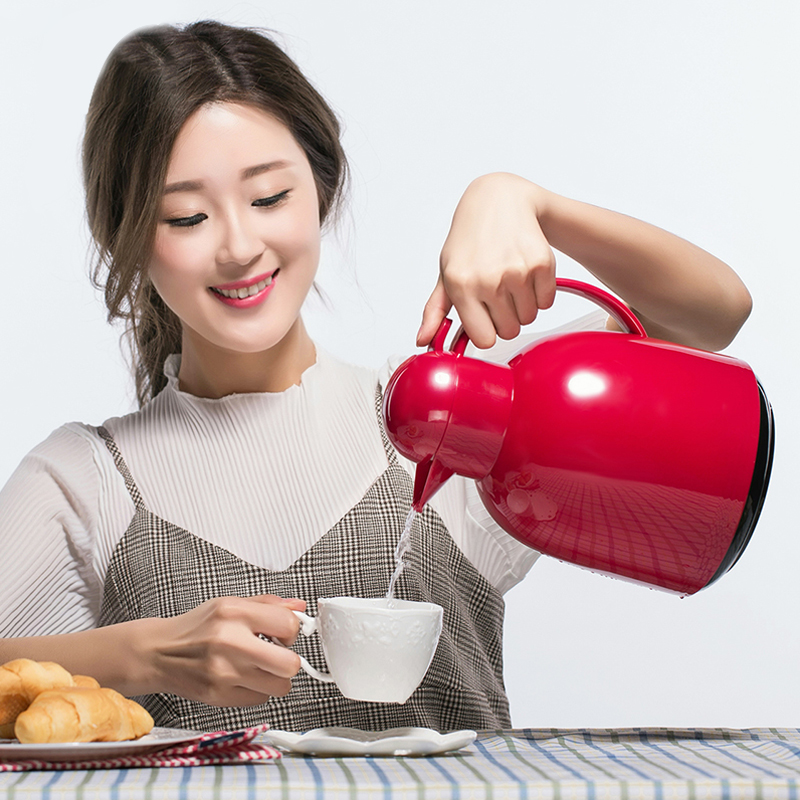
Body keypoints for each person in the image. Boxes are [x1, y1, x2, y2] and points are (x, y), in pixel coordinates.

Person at [0, 20, 752, 733]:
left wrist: (524, 200)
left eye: (269, 198)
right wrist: (140, 655)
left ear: (320, 193)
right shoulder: (84, 479)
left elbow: (709, 316)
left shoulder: (453, 419)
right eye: (186, 218)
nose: (237, 245)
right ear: (127, 237)